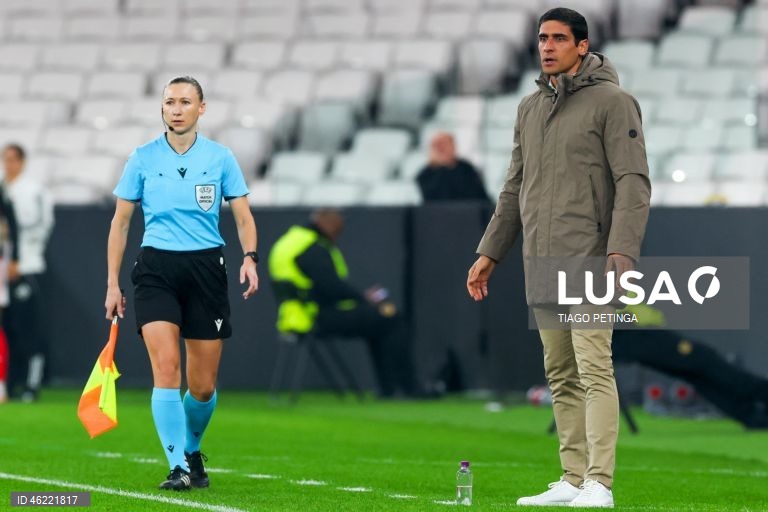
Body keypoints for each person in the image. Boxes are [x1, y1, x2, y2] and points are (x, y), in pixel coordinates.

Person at [466, 8, 651, 508]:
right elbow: (514, 188)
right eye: (542, 38)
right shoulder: (529, 108)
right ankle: (571, 478)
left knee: (594, 369)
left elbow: (633, 181)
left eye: (558, 39)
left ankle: (600, 483)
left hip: (590, 258)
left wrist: (621, 249)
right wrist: (490, 252)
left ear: (582, 46)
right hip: (540, 259)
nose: (547, 46)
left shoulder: (614, 103)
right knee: (561, 374)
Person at [104, 76, 259, 491]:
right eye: (169, 101)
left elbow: (243, 216)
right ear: (162, 108)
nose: (176, 108)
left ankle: (191, 448)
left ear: (201, 108)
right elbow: (120, 224)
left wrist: (249, 258)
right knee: (166, 369)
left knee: (203, 386)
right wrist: (112, 283)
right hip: (156, 269)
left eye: (185, 101)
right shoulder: (141, 157)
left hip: (207, 269)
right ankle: (177, 467)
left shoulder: (221, 157)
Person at [268, 209, 420, 398]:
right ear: (326, 222)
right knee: (389, 317)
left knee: (377, 320)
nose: (340, 230)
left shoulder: (290, 242)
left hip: (293, 318)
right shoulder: (311, 246)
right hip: (314, 316)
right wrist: (365, 298)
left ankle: (389, 389)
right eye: (338, 225)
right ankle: (408, 388)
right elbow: (331, 288)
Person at [613, 305, 768, 430]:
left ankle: (752, 417)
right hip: (631, 333)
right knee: (705, 361)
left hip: (630, 334)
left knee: (695, 373)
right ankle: (756, 408)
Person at [2, 144, 54, 403]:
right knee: (7, 329)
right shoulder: (2, 189)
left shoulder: (34, 191)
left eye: (13, 159)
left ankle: (32, 383)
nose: (8, 164)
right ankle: (8, 383)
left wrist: (19, 260)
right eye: (5, 159)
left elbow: (41, 227)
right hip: (3, 269)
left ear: (22, 161)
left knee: (28, 328)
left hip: (28, 266)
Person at [416, 132, 489, 202]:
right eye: (437, 146)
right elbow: (431, 199)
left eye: (444, 144)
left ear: (453, 145)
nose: (441, 149)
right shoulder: (425, 175)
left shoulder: (467, 168)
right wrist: (442, 166)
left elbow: (479, 196)